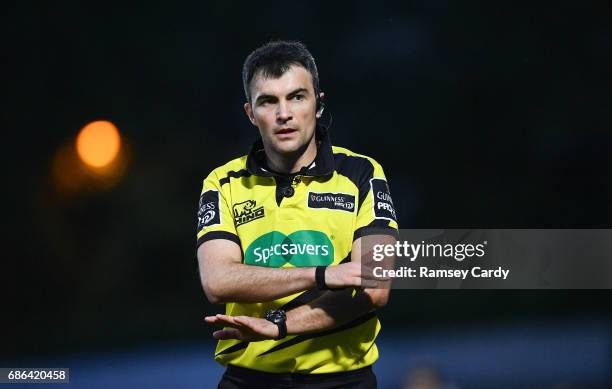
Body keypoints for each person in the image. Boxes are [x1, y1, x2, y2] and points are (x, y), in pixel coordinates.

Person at [196, 40, 398, 388]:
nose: (284, 113)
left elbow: (375, 286)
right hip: (249, 381)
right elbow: (217, 280)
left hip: (343, 380)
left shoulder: (363, 173)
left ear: (318, 105)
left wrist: (280, 325)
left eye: (297, 97)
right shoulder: (223, 181)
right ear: (250, 113)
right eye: (268, 101)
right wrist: (322, 274)